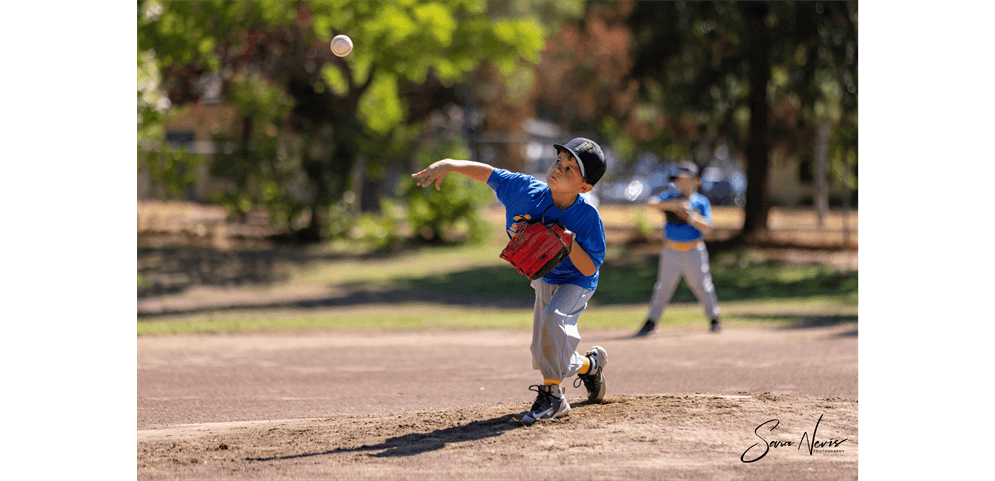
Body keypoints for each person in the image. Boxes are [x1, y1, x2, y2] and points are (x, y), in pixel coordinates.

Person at [412, 138, 609, 426]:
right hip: (545, 276)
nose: (558, 169)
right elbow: (489, 174)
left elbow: (590, 265)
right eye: (559, 161)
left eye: (570, 169)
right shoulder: (523, 191)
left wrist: (567, 241)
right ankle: (591, 367)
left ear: (584, 187)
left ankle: (553, 396)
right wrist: (451, 165)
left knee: (555, 320)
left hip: (577, 281)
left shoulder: (587, 218)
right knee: (544, 350)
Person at [635, 161, 723, 337]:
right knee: (663, 287)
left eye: (685, 179)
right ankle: (651, 321)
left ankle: (714, 319)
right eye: (679, 179)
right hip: (671, 251)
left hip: (694, 250)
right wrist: (674, 205)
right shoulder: (670, 196)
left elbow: (707, 227)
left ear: (696, 181)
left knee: (703, 286)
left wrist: (690, 215)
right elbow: (651, 203)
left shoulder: (700, 201)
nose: (680, 183)